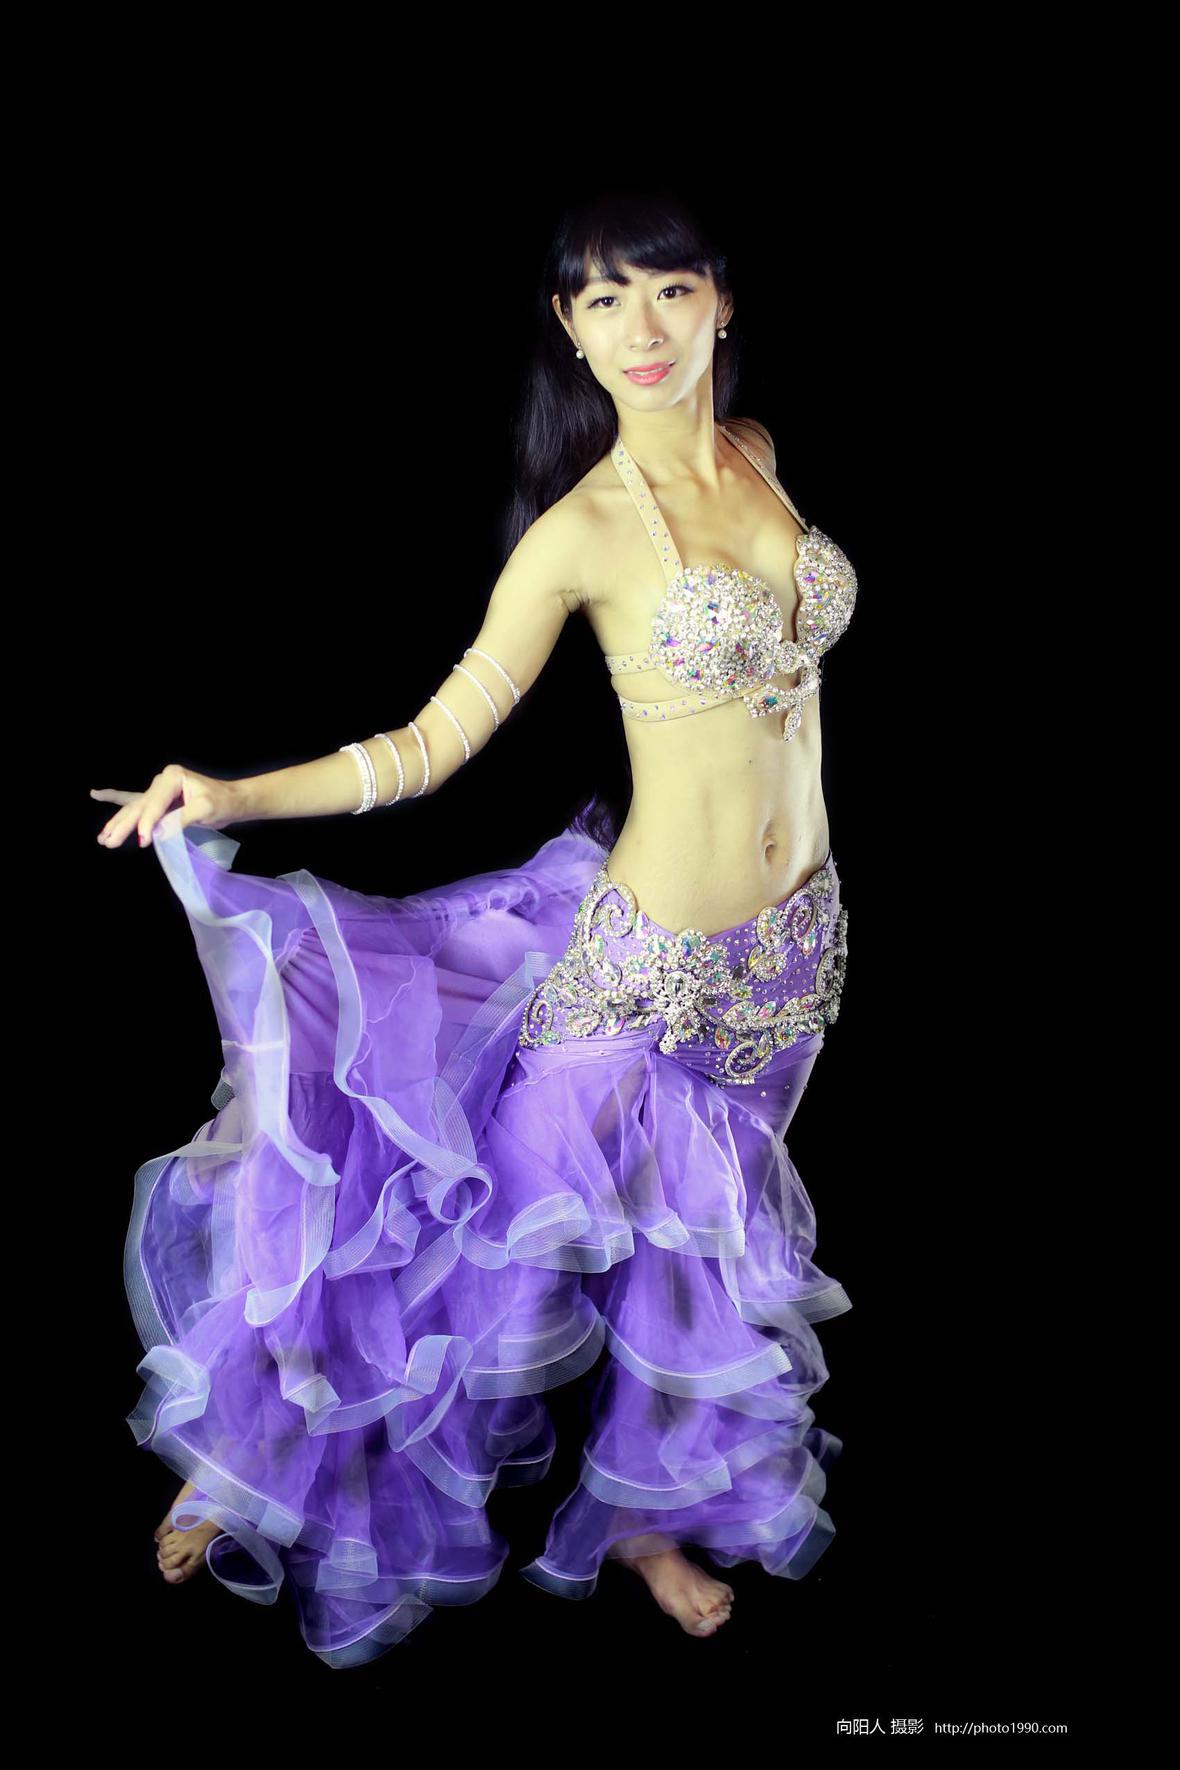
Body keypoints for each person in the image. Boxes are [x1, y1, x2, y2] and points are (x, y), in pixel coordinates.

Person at [93, 189, 857, 1671]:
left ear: (720, 299)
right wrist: (232, 790)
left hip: (796, 952)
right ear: (570, 330)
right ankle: (258, 1457)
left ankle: (644, 1520)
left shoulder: (761, 460)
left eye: (666, 290)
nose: (640, 328)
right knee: (491, 1260)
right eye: (603, 300)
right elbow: (430, 743)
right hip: (646, 964)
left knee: (701, 1257)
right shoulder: (583, 533)